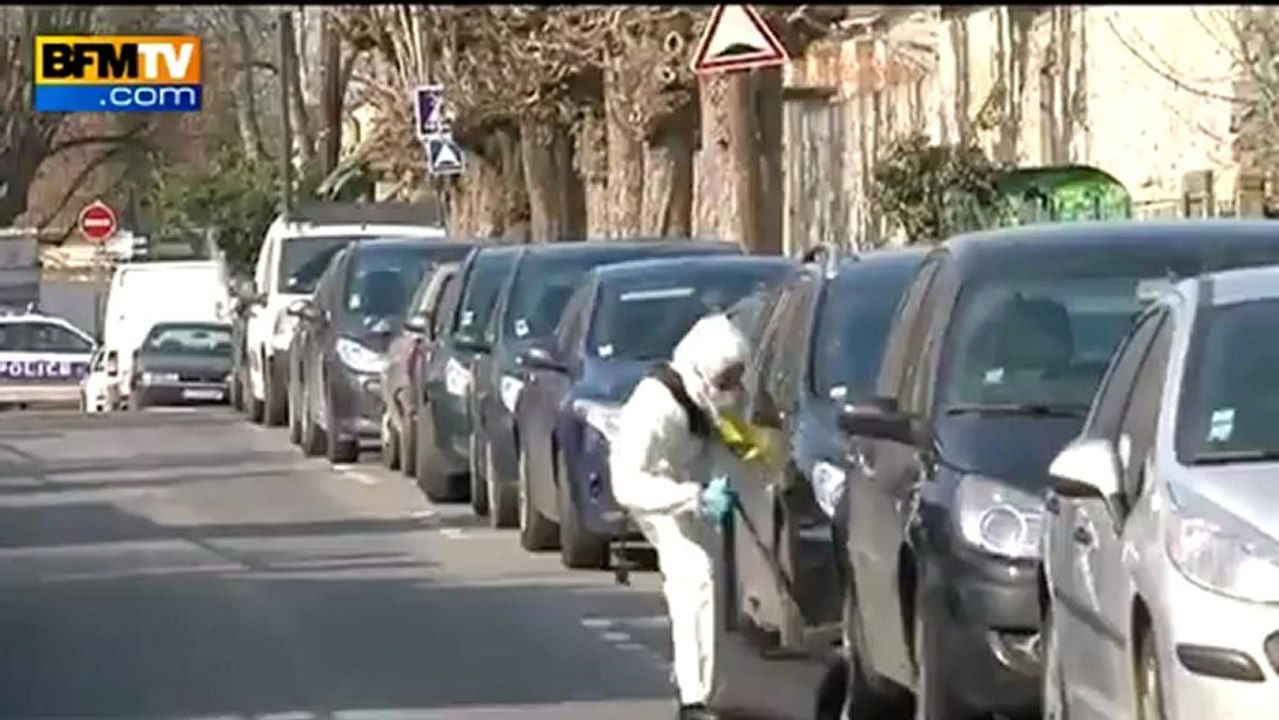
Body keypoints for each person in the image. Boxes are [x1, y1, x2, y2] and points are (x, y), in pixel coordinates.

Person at [609, 313, 749, 720]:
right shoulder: (655, 406)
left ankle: (699, 677)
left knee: (712, 583)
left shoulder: (709, 394)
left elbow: (723, 438)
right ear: (701, 371)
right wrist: (692, 498)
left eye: (738, 376)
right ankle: (695, 700)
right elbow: (628, 483)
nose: (734, 387)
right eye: (727, 379)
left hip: (692, 488)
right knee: (693, 574)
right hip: (658, 493)